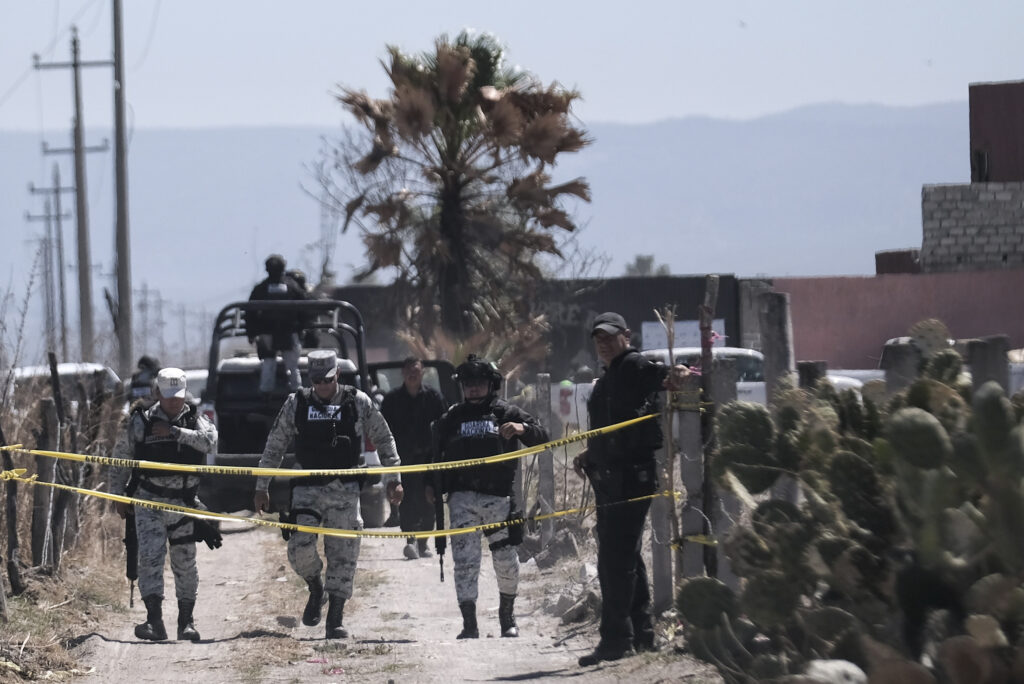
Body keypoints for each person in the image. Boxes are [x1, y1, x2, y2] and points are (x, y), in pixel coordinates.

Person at [253, 349, 404, 639]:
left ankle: (335, 617)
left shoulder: (357, 401)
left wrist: (393, 479)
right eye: (317, 380)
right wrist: (262, 486)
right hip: (307, 488)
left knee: (344, 555)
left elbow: (384, 439)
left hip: (344, 490)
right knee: (299, 549)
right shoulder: (296, 403)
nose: (322, 385)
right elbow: (275, 446)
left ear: (338, 375)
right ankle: (315, 586)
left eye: (327, 379)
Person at [572, 312, 688, 666]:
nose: (603, 344)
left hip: (631, 476)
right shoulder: (608, 378)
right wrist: (590, 452)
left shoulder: (635, 365)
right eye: (598, 339)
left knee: (613, 560)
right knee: (625, 556)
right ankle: (642, 633)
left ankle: (615, 639)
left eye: (609, 337)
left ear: (626, 335)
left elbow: (670, 377)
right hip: (608, 476)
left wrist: (679, 375)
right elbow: (614, 426)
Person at [429, 354, 549, 639]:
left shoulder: (506, 412)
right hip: (461, 501)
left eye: (479, 383)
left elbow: (544, 436)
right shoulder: (451, 418)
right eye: (468, 383)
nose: (473, 388)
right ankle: (469, 624)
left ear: (491, 384)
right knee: (466, 562)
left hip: (499, 499)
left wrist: (523, 429)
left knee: (506, 560)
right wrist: (430, 486)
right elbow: (433, 458)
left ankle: (507, 617)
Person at [111, 367, 220, 642]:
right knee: (150, 560)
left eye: (179, 396)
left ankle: (186, 622)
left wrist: (176, 432)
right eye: (169, 396)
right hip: (148, 502)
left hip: (182, 504)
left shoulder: (194, 418)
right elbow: (120, 459)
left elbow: (210, 442)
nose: (174, 402)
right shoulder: (140, 420)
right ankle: (154, 621)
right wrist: (118, 496)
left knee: (185, 563)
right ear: (157, 393)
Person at [380, 357, 446, 559]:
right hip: (403, 460)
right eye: (409, 371)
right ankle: (411, 541)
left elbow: (444, 426)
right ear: (402, 373)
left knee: (429, 501)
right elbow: (382, 431)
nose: (412, 375)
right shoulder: (391, 400)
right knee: (406, 501)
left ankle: (424, 543)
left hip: (428, 459)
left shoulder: (434, 398)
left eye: (416, 371)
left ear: (422, 372)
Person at [245, 254, 307, 394]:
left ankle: (266, 395)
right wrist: (302, 328)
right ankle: (297, 393)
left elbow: (250, 313)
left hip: (269, 332)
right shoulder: (293, 287)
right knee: (292, 366)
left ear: (266, 269)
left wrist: (251, 333)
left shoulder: (260, 289)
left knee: (268, 364)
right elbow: (305, 308)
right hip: (289, 332)